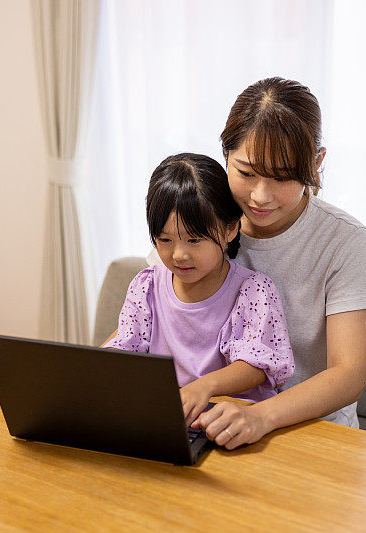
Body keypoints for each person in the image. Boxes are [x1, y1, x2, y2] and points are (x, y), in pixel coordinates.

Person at [190, 77, 366, 449]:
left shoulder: (344, 241)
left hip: (313, 432)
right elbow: (150, 309)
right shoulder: (198, 222)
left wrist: (260, 416)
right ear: (225, 157)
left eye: (282, 177)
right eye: (246, 173)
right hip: (210, 424)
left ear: (316, 162)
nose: (260, 197)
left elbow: (348, 375)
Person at [104, 152, 295, 426]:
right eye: (165, 239)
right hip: (168, 418)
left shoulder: (252, 290)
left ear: (230, 229)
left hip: (233, 421)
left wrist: (203, 387)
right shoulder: (146, 285)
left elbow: (258, 365)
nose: (179, 254)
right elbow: (127, 346)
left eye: (194, 239)